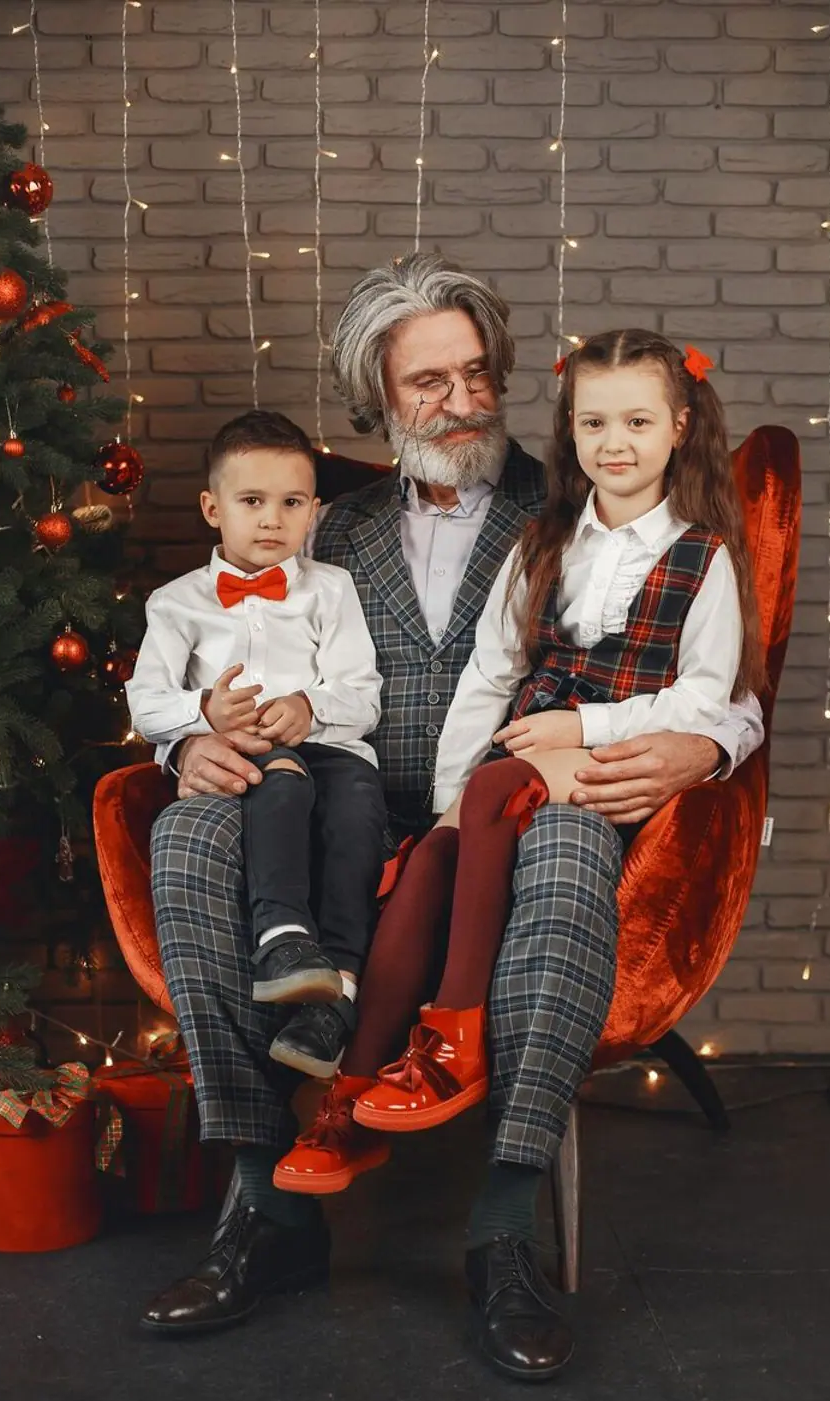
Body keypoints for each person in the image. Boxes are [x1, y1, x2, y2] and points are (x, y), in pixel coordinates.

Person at [140, 254, 765, 1382]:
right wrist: (191, 737)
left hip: (526, 807)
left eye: (476, 374)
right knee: (186, 832)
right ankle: (264, 1214)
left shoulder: (567, 502)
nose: (459, 402)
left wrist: (705, 742)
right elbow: (222, 656)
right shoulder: (325, 521)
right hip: (338, 802)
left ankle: (502, 1232)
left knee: (570, 843)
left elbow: (726, 686)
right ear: (375, 397)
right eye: (426, 383)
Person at [339, 330, 764, 1140]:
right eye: (594, 423)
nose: (615, 444)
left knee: (499, 782)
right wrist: (445, 805)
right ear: (570, 429)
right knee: (434, 852)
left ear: (680, 427)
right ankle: (348, 1096)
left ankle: (455, 1026)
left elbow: (708, 698)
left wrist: (584, 724)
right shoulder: (542, 543)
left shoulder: (702, 556)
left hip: (615, 767)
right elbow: (490, 677)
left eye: (638, 423)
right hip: (529, 758)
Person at [126, 410, 387, 1090]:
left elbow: (362, 694)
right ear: (213, 508)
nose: (272, 519)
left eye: (292, 503)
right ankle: (281, 941)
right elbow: (146, 706)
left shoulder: (332, 589)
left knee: (358, 815)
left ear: (313, 513)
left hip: (332, 750)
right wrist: (200, 714)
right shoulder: (176, 603)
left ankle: (338, 999)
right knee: (284, 781)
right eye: (252, 501)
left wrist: (310, 707)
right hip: (251, 757)